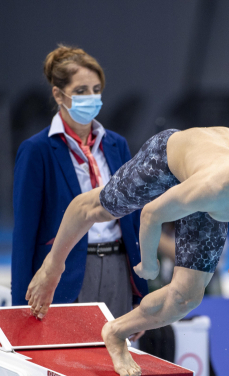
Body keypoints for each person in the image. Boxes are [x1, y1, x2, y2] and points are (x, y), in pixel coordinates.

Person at [27, 121, 229, 376]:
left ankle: (115, 332)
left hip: (211, 203)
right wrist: (150, 262)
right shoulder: (220, 185)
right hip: (171, 160)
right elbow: (151, 214)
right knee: (100, 208)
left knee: (186, 298)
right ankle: (53, 265)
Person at [11, 45, 148, 323]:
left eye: (96, 90)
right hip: (67, 271)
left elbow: (132, 220)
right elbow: (25, 233)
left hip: (117, 267)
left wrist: (140, 292)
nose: (92, 98)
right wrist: (18, 308)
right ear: (58, 94)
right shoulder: (37, 150)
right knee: (70, 363)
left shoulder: (116, 144)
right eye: (82, 91)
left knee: (116, 360)